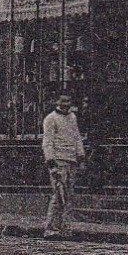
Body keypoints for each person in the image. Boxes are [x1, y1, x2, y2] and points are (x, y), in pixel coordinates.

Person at [41, 93, 85, 238]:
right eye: (63, 100)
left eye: (68, 101)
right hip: (58, 160)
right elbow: (48, 142)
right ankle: (51, 228)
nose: (66, 103)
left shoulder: (72, 118)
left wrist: (81, 157)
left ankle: (66, 228)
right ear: (57, 101)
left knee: (69, 196)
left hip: (71, 160)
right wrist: (51, 163)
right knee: (58, 195)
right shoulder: (50, 119)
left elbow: (77, 137)